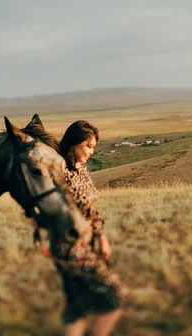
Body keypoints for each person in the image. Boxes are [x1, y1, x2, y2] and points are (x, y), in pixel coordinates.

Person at [51, 120, 132, 336]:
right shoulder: (58, 173)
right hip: (68, 247)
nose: (92, 151)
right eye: (89, 146)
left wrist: (102, 237)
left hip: (87, 245)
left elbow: (91, 211)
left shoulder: (82, 170)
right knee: (115, 294)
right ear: (73, 144)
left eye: (94, 146)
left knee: (76, 306)